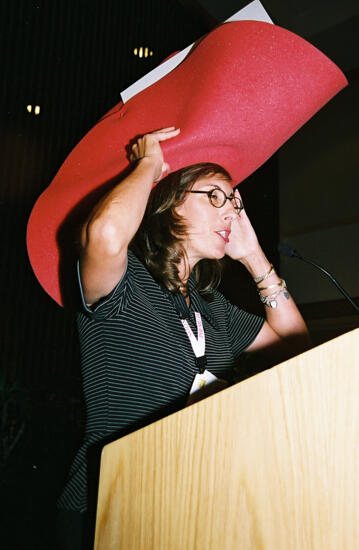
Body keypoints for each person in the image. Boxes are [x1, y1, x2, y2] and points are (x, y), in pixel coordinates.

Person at [56, 127, 310, 549]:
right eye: (214, 197)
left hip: (185, 506)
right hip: (108, 507)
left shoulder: (212, 305)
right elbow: (103, 235)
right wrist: (150, 165)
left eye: (235, 203)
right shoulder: (125, 284)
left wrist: (252, 256)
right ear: (170, 202)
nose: (230, 212)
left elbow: (296, 345)